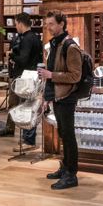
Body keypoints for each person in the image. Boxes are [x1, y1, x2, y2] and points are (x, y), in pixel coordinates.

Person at [37, 10, 82, 190]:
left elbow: (75, 76)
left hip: (67, 97)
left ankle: (71, 174)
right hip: (58, 96)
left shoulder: (70, 47)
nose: (48, 27)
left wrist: (51, 75)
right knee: (63, 133)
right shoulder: (55, 44)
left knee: (68, 135)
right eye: (47, 24)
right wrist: (47, 96)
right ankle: (65, 168)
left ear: (62, 24)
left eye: (52, 24)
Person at [6, 12, 44, 149]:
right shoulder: (34, 38)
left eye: (16, 24)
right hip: (31, 77)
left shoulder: (27, 39)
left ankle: (29, 141)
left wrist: (12, 56)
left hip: (27, 79)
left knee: (27, 108)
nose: (16, 27)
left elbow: (23, 59)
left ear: (21, 23)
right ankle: (28, 139)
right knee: (28, 107)